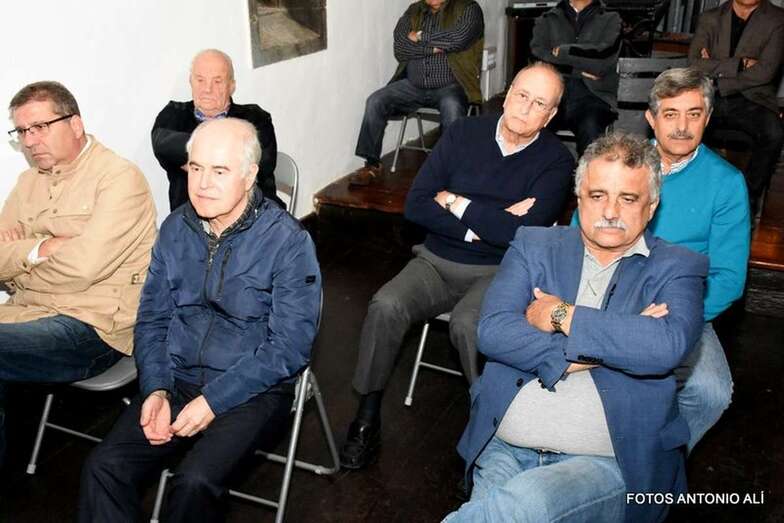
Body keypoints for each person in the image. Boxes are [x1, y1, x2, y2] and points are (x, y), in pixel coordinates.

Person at [445, 132, 708, 523]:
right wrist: (611, 345)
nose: (610, 211)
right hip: (503, 446)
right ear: (579, 197)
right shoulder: (533, 244)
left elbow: (663, 347)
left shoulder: (678, 266)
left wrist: (560, 315)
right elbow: (494, 331)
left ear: (651, 206)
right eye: (598, 195)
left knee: (522, 506)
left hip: (607, 462)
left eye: (628, 198)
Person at [78, 118, 321, 522]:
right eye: (196, 168)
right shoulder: (175, 228)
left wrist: (213, 401)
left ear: (250, 176)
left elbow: (289, 347)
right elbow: (153, 319)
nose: (203, 183)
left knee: (194, 482)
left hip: (252, 388)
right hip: (177, 378)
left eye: (220, 171)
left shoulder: (288, 242)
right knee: (104, 468)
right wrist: (156, 388)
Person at [340, 62, 575, 470]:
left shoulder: (556, 160)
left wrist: (454, 201)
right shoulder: (464, 132)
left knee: (469, 324)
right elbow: (416, 205)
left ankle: (490, 419)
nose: (525, 107)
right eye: (521, 95)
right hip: (436, 260)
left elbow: (522, 235)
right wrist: (488, 224)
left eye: (539, 103)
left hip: (501, 270)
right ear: (508, 93)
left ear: (551, 115)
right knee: (385, 305)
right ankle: (367, 416)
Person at [0, 81, 156, 468]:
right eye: (22, 131)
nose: (30, 141)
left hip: (93, 326)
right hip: (27, 313)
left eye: (40, 127)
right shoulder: (27, 183)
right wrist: (41, 249)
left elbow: (83, 270)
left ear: (75, 124)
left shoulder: (119, 179)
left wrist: (20, 262)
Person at [644, 67, 750, 451]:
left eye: (694, 114)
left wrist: (676, 318)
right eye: (671, 114)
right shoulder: (624, 164)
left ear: (708, 118)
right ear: (651, 118)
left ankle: (661, 460)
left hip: (683, 308)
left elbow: (728, 278)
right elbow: (580, 233)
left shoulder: (726, 183)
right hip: (615, 294)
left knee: (711, 392)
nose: (682, 127)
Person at [349, 0, 484, 186]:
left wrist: (419, 36)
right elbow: (400, 48)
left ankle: (448, 169)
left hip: (450, 86)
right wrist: (435, 48)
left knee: (452, 107)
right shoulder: (413, 11)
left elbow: (458, 39)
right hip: (413, 86)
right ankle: (372, 165)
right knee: (375, 101)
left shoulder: (468, 8)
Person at [152, 49, 282, 211]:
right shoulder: (174, 115)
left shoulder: (256, 118)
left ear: (231, 86)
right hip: (192, 219)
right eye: (200, 80)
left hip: (252, 215)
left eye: (217, 81)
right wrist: (227, 161)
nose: (207, 89)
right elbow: (161, 144)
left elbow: (260, 168)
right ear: (191, 81)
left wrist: (194, 159)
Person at [688, 0, 784, 216]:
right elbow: (694, 63)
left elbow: (765, 72)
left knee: (774, 133)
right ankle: (692, 194)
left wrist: (717, 75)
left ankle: (745, 201)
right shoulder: (710, 17)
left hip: (753, 99)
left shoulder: (778, 20)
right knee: (684, 123)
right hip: (710, 96)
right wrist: (740, 64)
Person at [530, 0, 621, 156]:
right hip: (552, 93)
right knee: (533, 123)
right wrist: (577, 69)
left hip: (593, 95)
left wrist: (564, 51)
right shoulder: (547, 19)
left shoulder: (611, 19)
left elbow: (603, 60)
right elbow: (538, 58)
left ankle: (589, 172)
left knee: (591, 128)